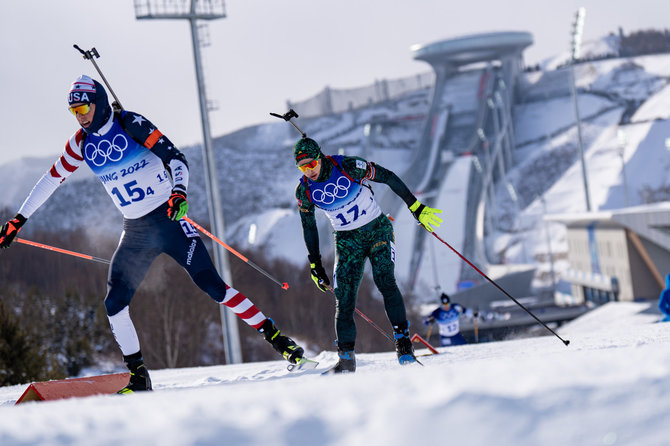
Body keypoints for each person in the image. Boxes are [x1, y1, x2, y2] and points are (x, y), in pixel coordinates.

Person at [0, 75, 304, 393]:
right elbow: (50, 180)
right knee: (114, 302)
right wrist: (18, 220)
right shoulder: (80, 144)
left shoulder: (130, 123)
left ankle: (278, 338)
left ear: (99, 102)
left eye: (85, 108)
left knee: (213, 287)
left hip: (169, 221)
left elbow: (176, 159)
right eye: (74, 111)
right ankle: (139, 376)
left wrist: (179, 193)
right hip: (136, 231)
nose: (81, 116)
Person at [293, 137, 443, 373]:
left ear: (320, 157)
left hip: (376, 230)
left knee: (385, 281)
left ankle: (404, 346)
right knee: (344, 300)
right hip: (346, 241)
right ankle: (346, 361)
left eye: (311, 164)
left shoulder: (349, 166)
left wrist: (415, 207)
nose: (309, 170)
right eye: (302, 167)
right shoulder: (304, 191)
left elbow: (389, 177)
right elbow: (308, 227)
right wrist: (315, 264)